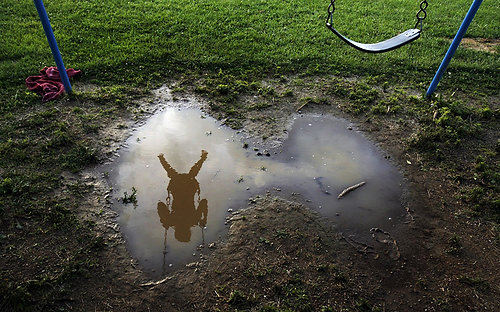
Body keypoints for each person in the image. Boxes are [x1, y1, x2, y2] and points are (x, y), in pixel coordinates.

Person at [157, 150, 208, 242]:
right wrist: (164, 220)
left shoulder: (193, 220)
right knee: (184, 175)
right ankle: (161, 158)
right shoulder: (172, 221)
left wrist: (204, 218)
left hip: (184, 189)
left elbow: (204, 202)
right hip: (183, 189)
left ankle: (203, 157)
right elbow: (160, 205)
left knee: (190, 175)